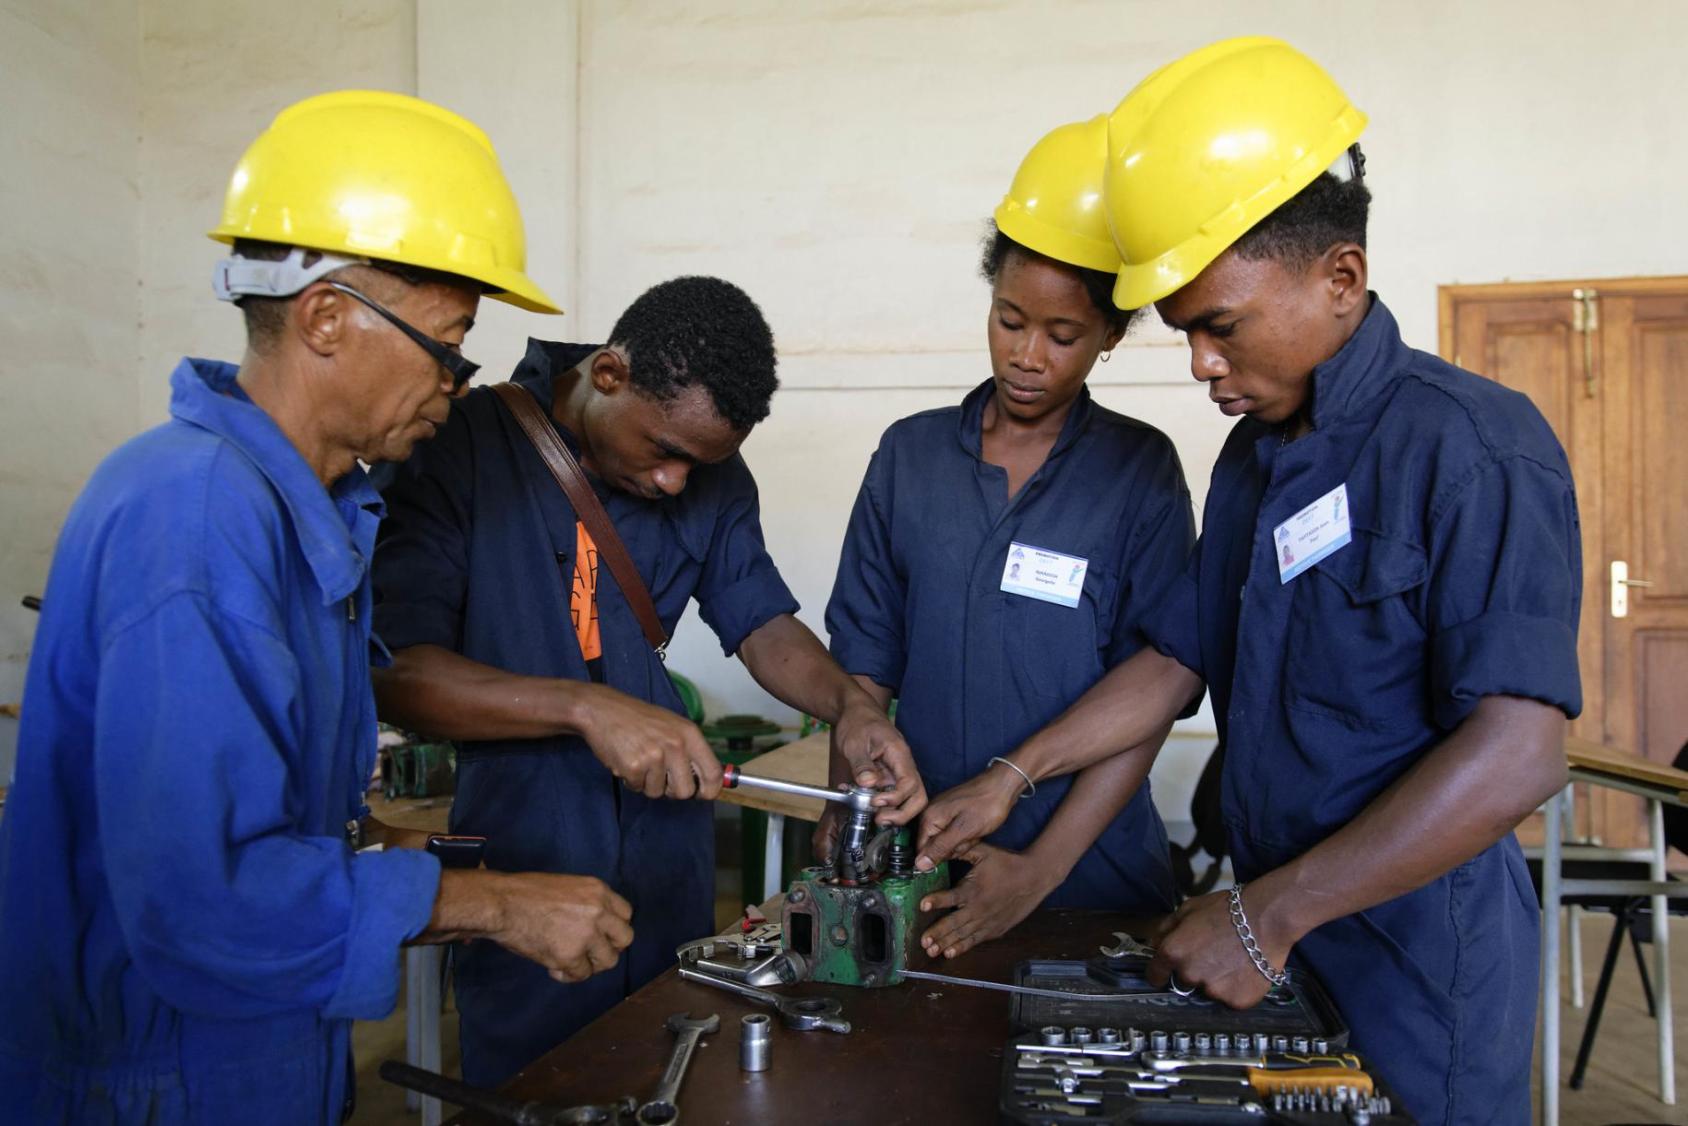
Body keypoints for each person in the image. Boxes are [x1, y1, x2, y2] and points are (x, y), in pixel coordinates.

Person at [915, 38, 1578, 1124]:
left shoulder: (1469, 446)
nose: (1201, 367)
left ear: (1338, 278)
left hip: (1414, 956)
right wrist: (1013, 774)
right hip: (1277, 930)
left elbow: (1519, 751)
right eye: (1184, 337)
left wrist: (1268, 913)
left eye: (1218, 329)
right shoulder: (1255, 457)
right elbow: (1176, 655)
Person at [0, 92, 643, 1124]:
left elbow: (270, 811)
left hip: (250, 1049)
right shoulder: (197, 518)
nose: (454, 384)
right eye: (447, 344)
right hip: (159, 1077)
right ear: (327, 316)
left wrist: (391, 847)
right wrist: (495, 905)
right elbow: (204, 899)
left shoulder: (303, 509)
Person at [370, 275, 926, 1087]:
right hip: (527, 851)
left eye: (699, 467)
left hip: (668, 854)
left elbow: (762, 623)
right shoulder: (459, 448)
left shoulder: (709, 472)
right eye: (665, 453)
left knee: (669, 1063)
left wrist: (849, 707)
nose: (675, 483)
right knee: (539, 1084)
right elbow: (400, 677)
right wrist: (585, 708)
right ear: (608, 375)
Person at [825, 115, 1193, 961]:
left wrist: (1042, 866)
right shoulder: (910, 456)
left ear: (1109, 337)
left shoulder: (1139, 471)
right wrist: (849, 805)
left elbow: (1156, 689)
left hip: (1088, 875)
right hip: (919, 864)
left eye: (1062, 337)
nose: (1027, 355)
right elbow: (864, 668)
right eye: (1008, 320)